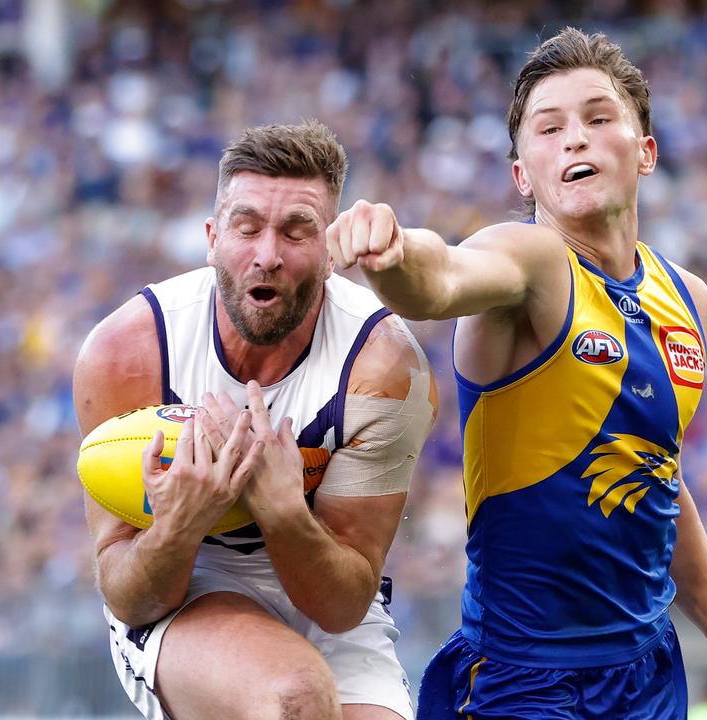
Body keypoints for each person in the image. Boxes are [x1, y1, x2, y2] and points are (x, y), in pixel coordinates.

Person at [327, 28, 707, 720]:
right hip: (522, 684)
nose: (575, 140)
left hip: (649, 677)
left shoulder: (689, 299)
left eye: (598, 117)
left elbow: (656, 484)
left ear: (645, 151)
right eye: (549, 128)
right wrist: (395, 253)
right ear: (522, 175)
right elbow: (441, 279)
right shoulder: (532, 262)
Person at [73, 120, 437, 720]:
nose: (267, 255)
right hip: (189, 585)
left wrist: (281, 509)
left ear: (329, 253)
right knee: (294, 699)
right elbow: (129, 596)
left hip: (320, 577)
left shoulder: (385, 368)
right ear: (212, 239)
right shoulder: (128, 351)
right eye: (247, 228)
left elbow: (343, 604)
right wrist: (179, 525)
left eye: (296, 232)